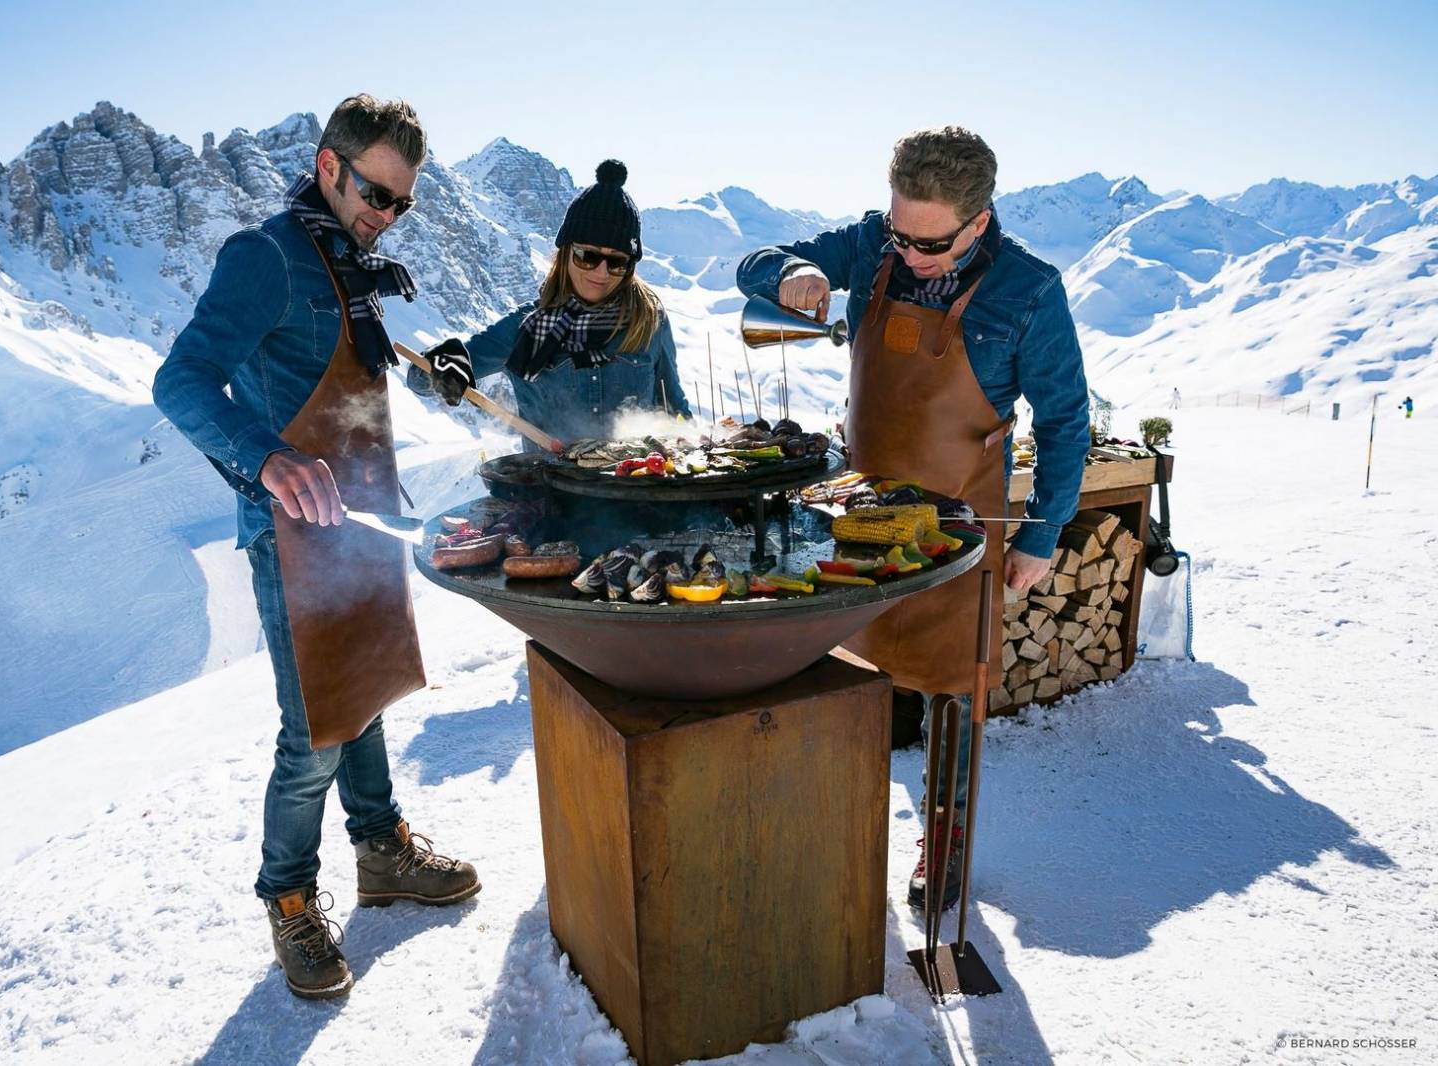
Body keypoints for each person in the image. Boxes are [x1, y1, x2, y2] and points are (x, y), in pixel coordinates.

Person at [153, 94, 479, 1001]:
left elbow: (333, 355)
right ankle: (290, 900)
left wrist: (434, 366)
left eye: (402, 205)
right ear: (328, 167)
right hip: (295, 538)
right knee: (311, 738)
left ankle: (380, 851)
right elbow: (179, 380)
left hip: (362, 522)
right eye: (376, 194)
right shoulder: (265, 256)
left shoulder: (339, 255)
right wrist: (267, 459)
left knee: (366, 692)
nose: (385, 217)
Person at [737, 126, 1090, 912]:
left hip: (961, 534)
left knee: (951, 701)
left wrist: (1041, 536)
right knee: (835, 681)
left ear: (979, 220)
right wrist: (791, 271)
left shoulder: (1029, 290)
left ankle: (947, 845)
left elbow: (1067, 421)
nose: (909, 253)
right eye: (900, 233)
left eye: (928, 244)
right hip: (856, 519)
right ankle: (830, 833)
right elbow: (753, 266)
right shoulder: (873, 246)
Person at [411, 160, 689, 445]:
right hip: (548, 488)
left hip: (634, 486)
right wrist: (444, 363)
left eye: (617, 262)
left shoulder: (648, 321)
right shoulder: (524, 330)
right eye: (588, 256)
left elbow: (674, 408)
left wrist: (693, 443)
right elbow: (419, 379)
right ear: (566, 252)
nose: (601, 272)